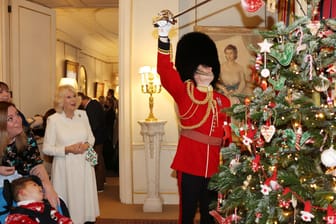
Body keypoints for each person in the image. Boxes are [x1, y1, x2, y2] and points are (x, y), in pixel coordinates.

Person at [155, 15, 232, 224]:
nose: (207, 71)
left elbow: (227, 135)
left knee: (211, 215)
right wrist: (163, 36)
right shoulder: (184, 93)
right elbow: (164, 71)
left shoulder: (223, 100)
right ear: (192, 68)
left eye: (209, 67)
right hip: (189, 164)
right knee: (187, 214)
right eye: (202, 67)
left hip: (215, 167)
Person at [42, 85, 99, 223]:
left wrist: (86, 145)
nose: (73, 99)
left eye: (74, 96)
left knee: (84, 204)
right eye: (68, 97)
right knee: (69, 204)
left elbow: (91, 138)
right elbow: (47, 148)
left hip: (84, 165)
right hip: (65, 167)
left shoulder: (83, 115)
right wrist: (67, 149)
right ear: (61, 101)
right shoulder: (54, 120)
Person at [0, 102, 59, 223]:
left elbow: (36, 164)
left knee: (55, 204)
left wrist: (48, 187)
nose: (18, 120)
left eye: (17, 114)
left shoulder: (26, 135)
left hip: (21, 183)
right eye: (10, 119)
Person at [5, 176, 72, 224]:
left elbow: (62, 220)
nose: (40, 187)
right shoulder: (16, 215)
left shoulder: (48, 208)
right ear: (22, 192)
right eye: (34, 185)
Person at [77, 92, 106, 192]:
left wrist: (86, 136)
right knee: (99, 159)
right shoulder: (94, 104)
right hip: (99, 137)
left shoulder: (91, 106)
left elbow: (93, 125)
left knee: (96, 161)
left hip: (96, 138)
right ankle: (102, 181)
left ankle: (99, 185)